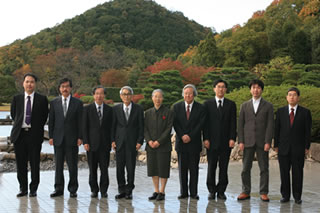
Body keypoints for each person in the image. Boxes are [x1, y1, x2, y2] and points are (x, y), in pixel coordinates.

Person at [10, 73, 48, 197]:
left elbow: (44, 117)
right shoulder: (17, 99)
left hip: (34, 136)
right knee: (20, 164)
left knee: (34, 163)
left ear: (35, 84)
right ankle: (23, 188)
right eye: (27, 81)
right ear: (23, 83)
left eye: (31, 82)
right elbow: (14, 115)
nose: (29, 84)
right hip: (20, 135)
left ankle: (33, 189)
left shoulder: (42, 99)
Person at [237, 79, 273, 202]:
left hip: (262, 141)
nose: (255, 90)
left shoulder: (268, 106)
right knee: (245, 168)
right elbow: (240, 124)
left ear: (261, 90)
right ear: (250, 89)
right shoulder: (244, 105)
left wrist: (268, 141)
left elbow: (270, 125)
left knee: (264, 168)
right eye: (253, 87)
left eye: (258, 87)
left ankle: (263, 192)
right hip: (247, 141)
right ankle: (245, 191)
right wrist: (241, 141)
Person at [274, 87, 312, 204]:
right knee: (284, 173)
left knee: (298, 173)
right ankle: (285, 196)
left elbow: (307, 131)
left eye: (294, 95)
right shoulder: (280, 111)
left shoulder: (305, 112)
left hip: (298, 148)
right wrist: (276, 145)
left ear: (298, 98)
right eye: (289, 95)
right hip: (283, 148)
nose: (292, 97)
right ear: (286, 97)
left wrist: (306, 146)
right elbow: (277, 130)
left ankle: (297, 196)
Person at [49, 78, 83, 198]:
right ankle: (58, 189)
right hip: (58, 138)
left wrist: (80, 137)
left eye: (67, 86)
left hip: (72, 139)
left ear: (71, 88)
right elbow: (51, 121)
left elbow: (81, 122)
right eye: (62, 86)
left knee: (72, 166)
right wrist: (51, 136)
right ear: (59, 88)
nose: (65, 88)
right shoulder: (54, 103)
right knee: (58, 166)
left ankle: (73, 189)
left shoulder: (78, 103)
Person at [203, 79, 236, 200]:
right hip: (211, 142)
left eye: (223, 87)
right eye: (218, 87)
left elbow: (233, 122)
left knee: (224, 167)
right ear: (214, 89)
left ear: (226, 89)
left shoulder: (231, 104)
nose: (221, 89)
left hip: (226, 141)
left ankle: (221, 191)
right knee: (211, 167)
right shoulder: (207, 104)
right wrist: (205, 138)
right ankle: (211, 190)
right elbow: (205, 123)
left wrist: (232, 138)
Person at [173, 84, 206, 200]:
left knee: (194, 169)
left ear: (194, 95)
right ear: (183, 95)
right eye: (186, 93)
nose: (188, 95)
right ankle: (183, 192)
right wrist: (182, 135)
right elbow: (175, 123)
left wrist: (190, 136)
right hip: (181, 143)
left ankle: (193, 192)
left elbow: (200, 125)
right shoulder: (176, 107)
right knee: (182, 169)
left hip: (194, 142)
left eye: (190, 93)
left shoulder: (200, 108)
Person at [111, 86, 144, 200]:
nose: (126, 96)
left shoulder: (138, 109)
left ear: (132, 96)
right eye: (124, 94)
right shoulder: (116, 109)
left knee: (131, 168)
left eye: (128, 94)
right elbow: (113, 126)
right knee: (119, 168)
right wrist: (113, 141)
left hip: (132, 143)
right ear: (120, 96)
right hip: (119, 143)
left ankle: (129, 191)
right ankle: (121, 190)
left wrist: (140, 141)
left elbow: (141, 127)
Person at [82, 86, 113, 198]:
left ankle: (104, 190)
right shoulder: (87, 109)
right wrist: (85, 141)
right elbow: (84, 127)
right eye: (97, 94)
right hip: (91, 144)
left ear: (104, 95)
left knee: (104, 169)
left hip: (105, 144)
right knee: (92, 169)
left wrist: (112, 141)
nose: (99, 96)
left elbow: (111, 128)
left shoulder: (110, 110)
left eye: (101, 94)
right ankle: (94, 190)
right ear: (94, 95)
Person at [144, 89, 174, 201]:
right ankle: (156, 190)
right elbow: (144, 129)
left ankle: (162, 191)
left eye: (160, 97)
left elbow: (168, 129)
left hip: (164, 145)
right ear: (152, 98)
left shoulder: (168, 112)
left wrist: (159, 141)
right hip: (150, 145)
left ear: (163, 98)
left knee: (163, 168)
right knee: (153, 168)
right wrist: (149, 140)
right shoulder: (147, 113)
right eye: (155, 96)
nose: (157, 99)